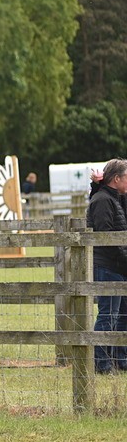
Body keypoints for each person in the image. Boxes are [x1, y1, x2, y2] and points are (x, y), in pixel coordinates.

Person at [87, 159, 127, 373]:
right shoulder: (103, 200)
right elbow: (106, 237)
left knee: (121, 316)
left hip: (118, 266)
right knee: (108, 315)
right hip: (108, 266)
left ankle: (120, 360)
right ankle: (102, 364)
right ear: (117, 178)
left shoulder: (115, 198)